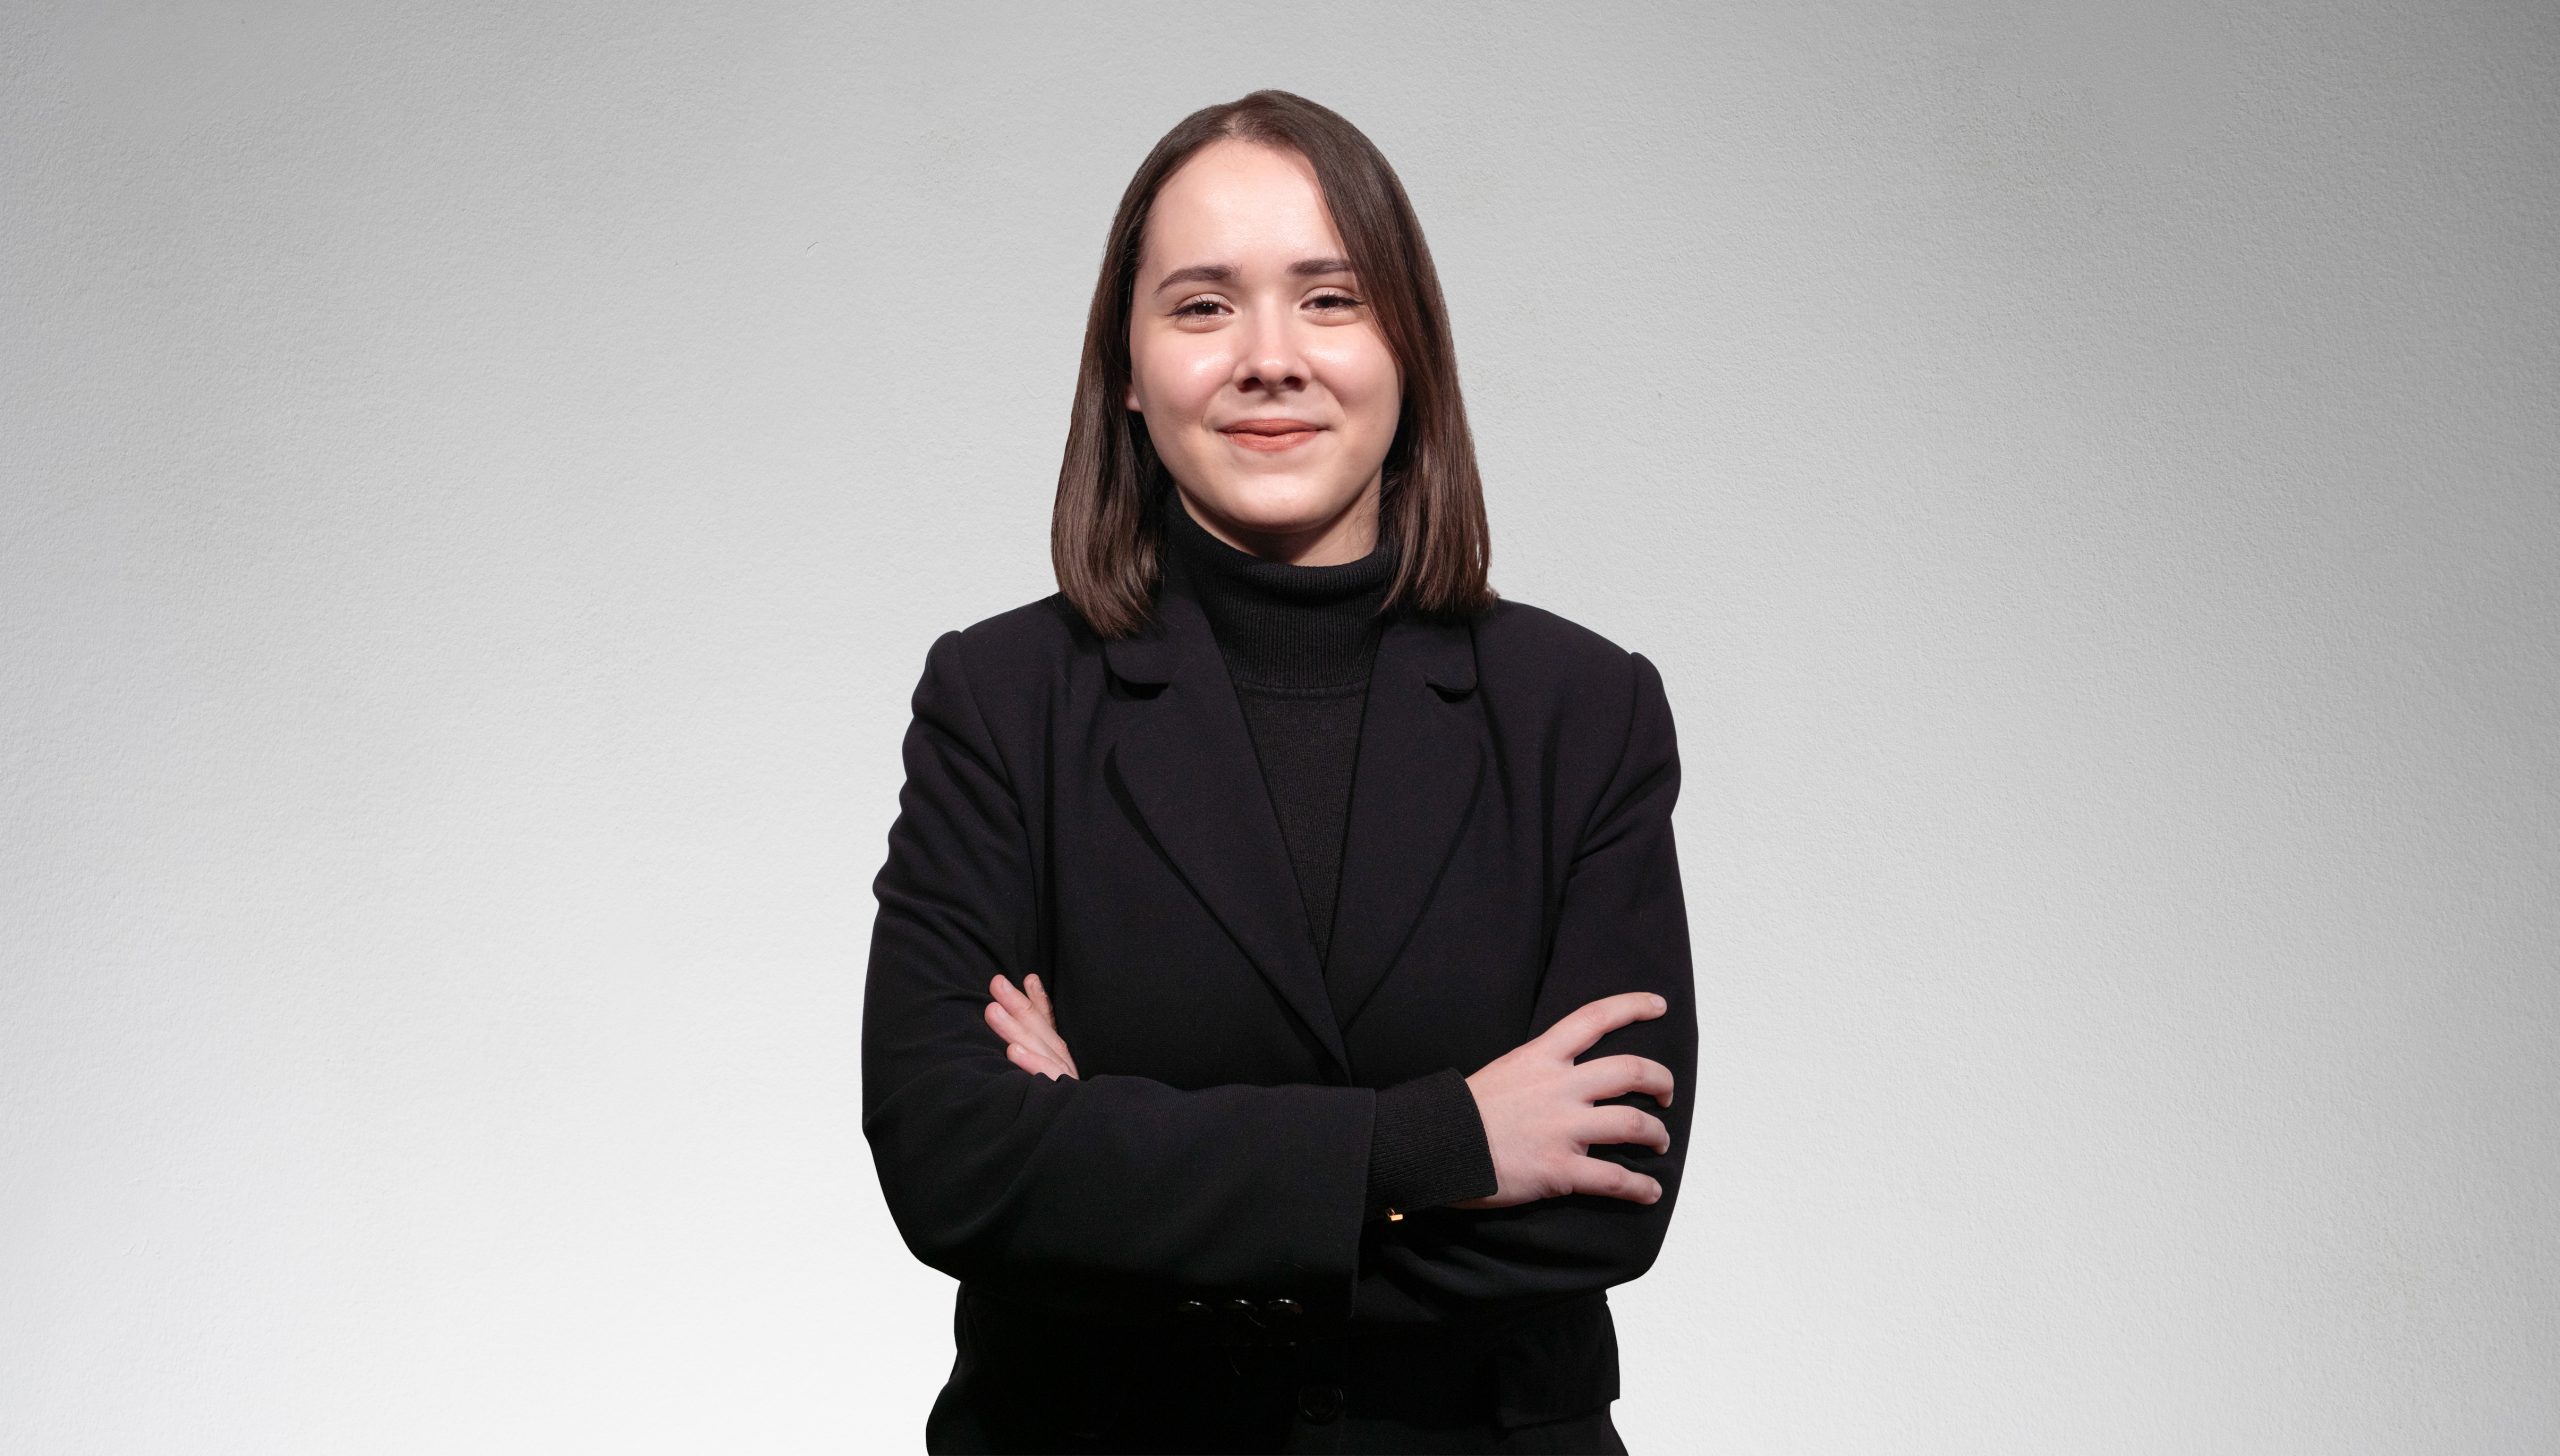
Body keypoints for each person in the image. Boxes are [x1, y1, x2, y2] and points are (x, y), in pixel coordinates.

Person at [862, 88, 1696, 1454]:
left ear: (1409, 348)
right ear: (1127, 369)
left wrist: (1106, 1170)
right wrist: (1445, 1145)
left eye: (1330, 300)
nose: (1269, 359)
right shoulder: (1001, 700)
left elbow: (1606, 1203)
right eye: (1202, 306)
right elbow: (952, 1164)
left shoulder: (1584, 710)